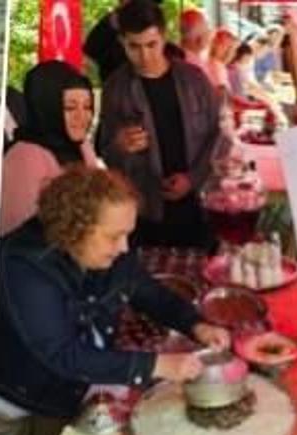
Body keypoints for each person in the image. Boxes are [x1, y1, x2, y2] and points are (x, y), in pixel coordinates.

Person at [0, 167, 229, 435]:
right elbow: (64, 353)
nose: (124, 248)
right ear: (74, 228)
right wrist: (157, 365)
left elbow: (145, 290)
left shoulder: (110, 254)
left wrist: (195, 324)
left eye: (128, 234)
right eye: (114, 236)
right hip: (4, 404)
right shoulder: (23, 267)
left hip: (61, 395)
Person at [98, 0, 222, 251]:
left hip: (198, 207)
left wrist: (193, 178)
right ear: (122, 42)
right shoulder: (115, 89)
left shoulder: (194, 81)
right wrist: (120, 145)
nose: (144, 56)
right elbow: (105, 151)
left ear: (164, 38)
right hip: (145, 211)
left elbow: (220, 135)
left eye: (151, 44)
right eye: (134, 47)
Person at [0, 61, 97, 235]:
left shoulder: (82, 146)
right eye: (70, 107)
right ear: (47, 107)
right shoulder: (25, 156)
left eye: (88, 106)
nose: (82, 116)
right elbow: (22, 233)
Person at [204, 28, 239, 92]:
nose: (230, 53)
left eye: (233, 49)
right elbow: (224, 97)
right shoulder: (217, 66)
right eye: (225, 46)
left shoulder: (212, 63)